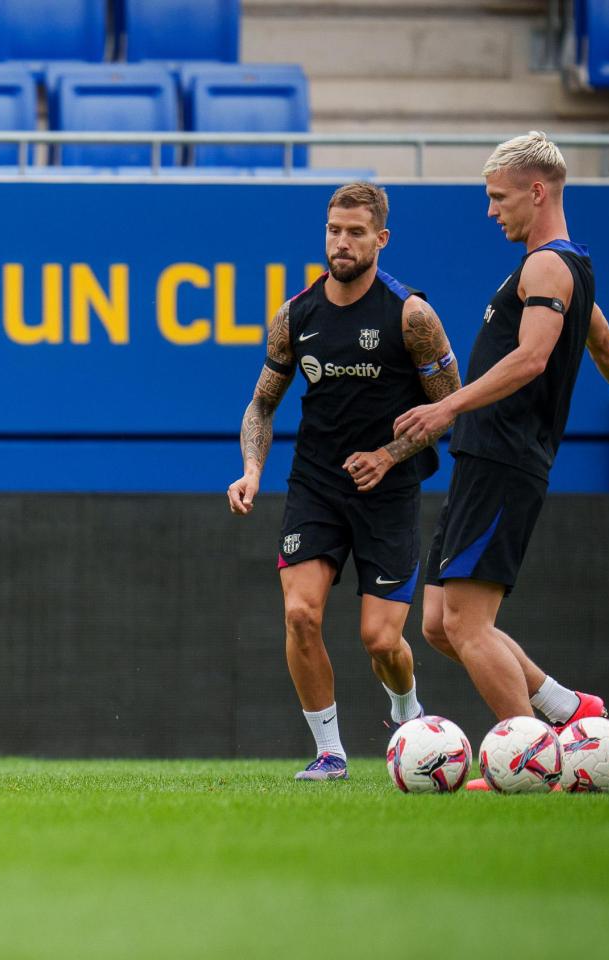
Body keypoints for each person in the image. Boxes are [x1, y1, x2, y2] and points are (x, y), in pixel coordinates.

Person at [393, 133, 609, 787]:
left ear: (537, 193)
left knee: (468, 624)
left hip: (505, 458)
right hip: (484, 458)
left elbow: (534, 356)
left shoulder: (547, 269)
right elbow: (601, 337)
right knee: (437, 625)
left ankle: (531, 765)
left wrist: (447, 409)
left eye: (498, 197)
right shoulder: (565, 269)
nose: (490, 211)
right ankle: (569, 711)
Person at [228, 182, 461, 782]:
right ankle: (331, 754)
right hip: (316, 487)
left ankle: (407, 711)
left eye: (356, 232)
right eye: (334, 229)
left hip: (388, 491)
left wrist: (387, 454)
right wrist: (252, 471)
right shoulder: (295, 315)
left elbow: (450, 408)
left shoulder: (412, 315)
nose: (342, 241)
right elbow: (260, 405)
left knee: (381, 641)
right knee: (301, 615)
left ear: (381, 239)